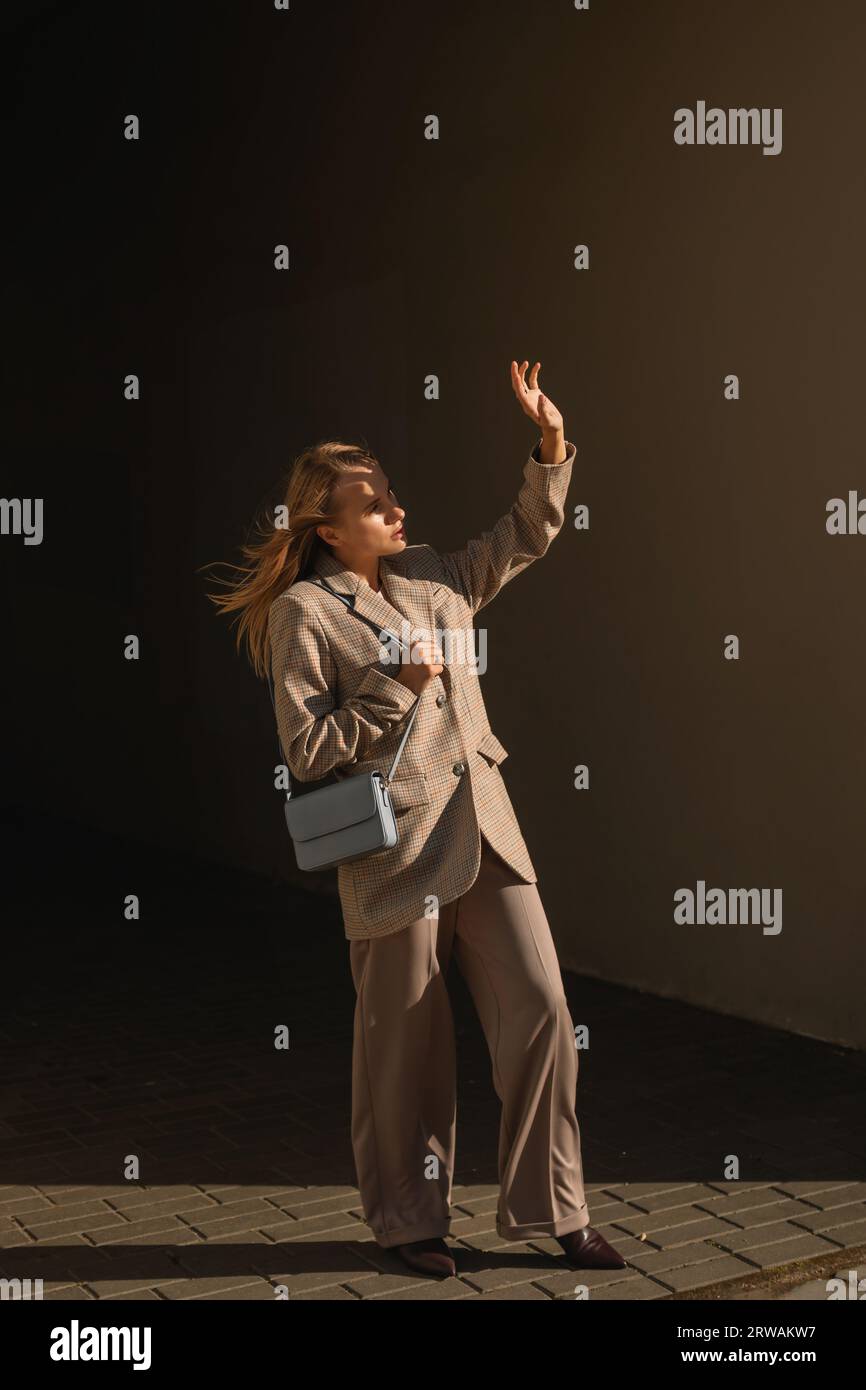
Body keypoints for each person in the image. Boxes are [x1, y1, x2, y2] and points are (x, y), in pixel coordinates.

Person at [207, 360, 626, 1279]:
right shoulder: (305, 614)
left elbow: (525, 533)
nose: (396, 511)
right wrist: (398, 690)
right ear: (327, 528)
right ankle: (409, 1222)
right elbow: (308, 752)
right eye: (375, 503)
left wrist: (550, 441)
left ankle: (558, 1210)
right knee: (406, 1045)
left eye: (391, 494)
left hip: (484, 828)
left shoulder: (435, 575)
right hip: (393, 848)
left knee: (545, 1011)